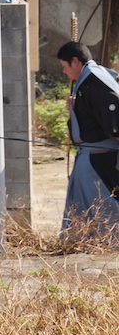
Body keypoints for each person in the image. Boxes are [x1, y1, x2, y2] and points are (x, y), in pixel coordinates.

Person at [57, 40, 119, 239]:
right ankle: (85, 240)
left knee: (102, 204)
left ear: (75, 61)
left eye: (64, 66)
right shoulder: (88, 81)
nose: (64, 72)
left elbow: (113, 119)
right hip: (92, 155)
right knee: (85, 203)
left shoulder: (94, 80)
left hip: (99, 157)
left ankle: (105, 241)